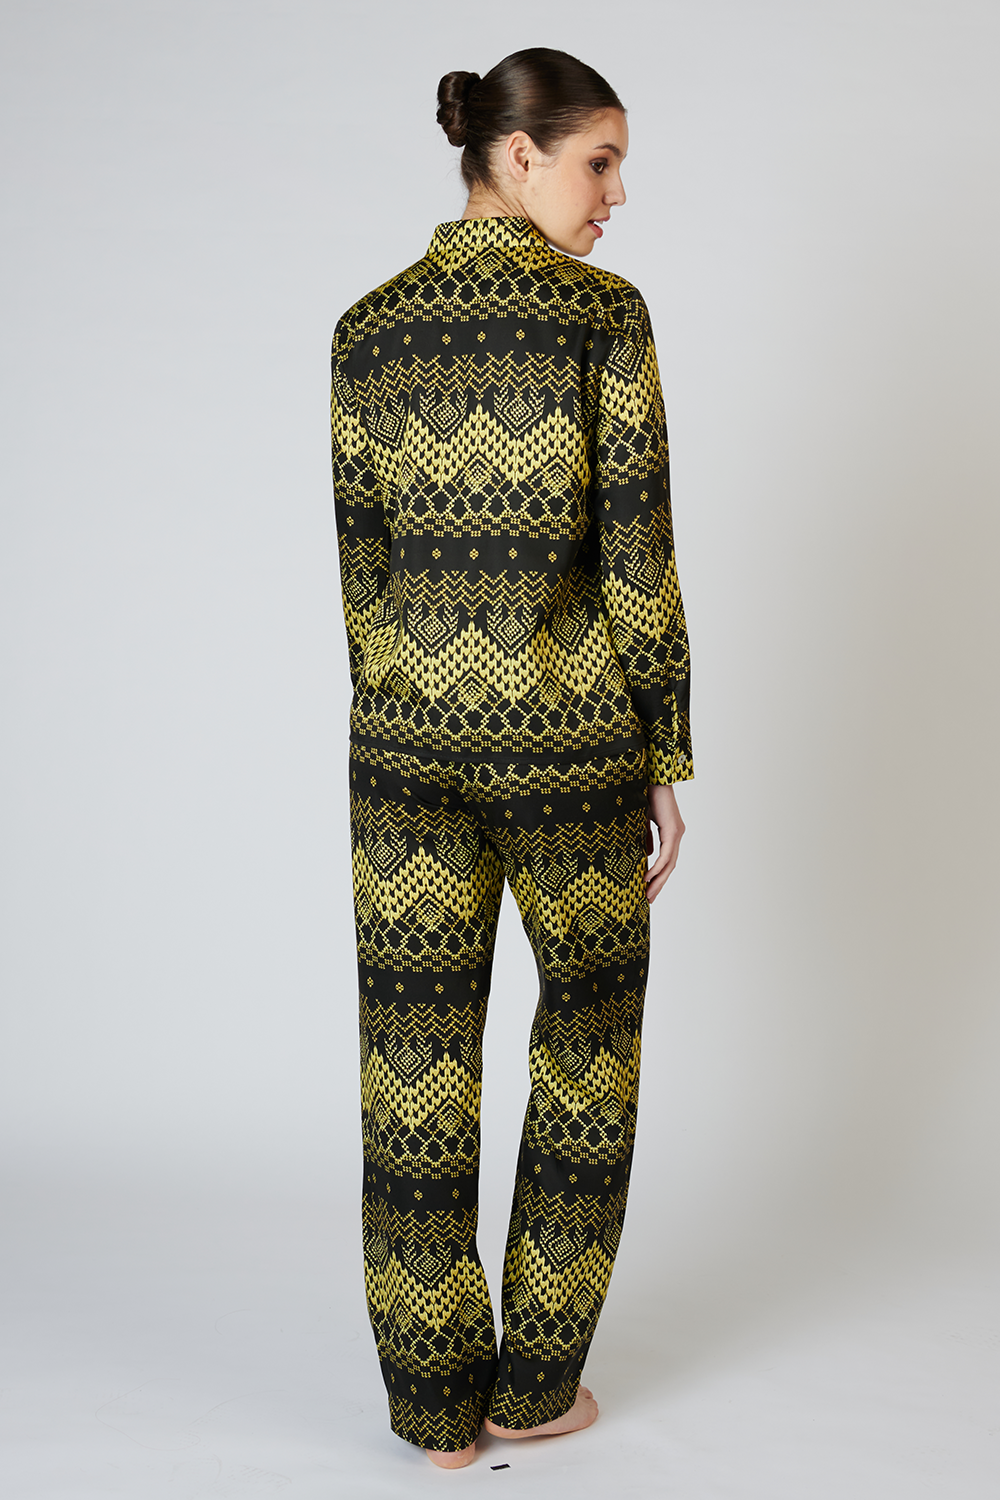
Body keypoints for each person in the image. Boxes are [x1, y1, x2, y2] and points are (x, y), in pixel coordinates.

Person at [330, 47, 692, 1469]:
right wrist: (663, 751)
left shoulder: (367, 332)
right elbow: (639, 559)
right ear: (520, 155)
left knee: (411, 1058)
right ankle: (533, 1389)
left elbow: (362, 572)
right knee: (587, 1045)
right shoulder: (604, 318)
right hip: (569, 751)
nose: (617, 196)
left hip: (401, 750)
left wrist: (406, 711)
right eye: (601, 162)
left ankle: (432, 1414)